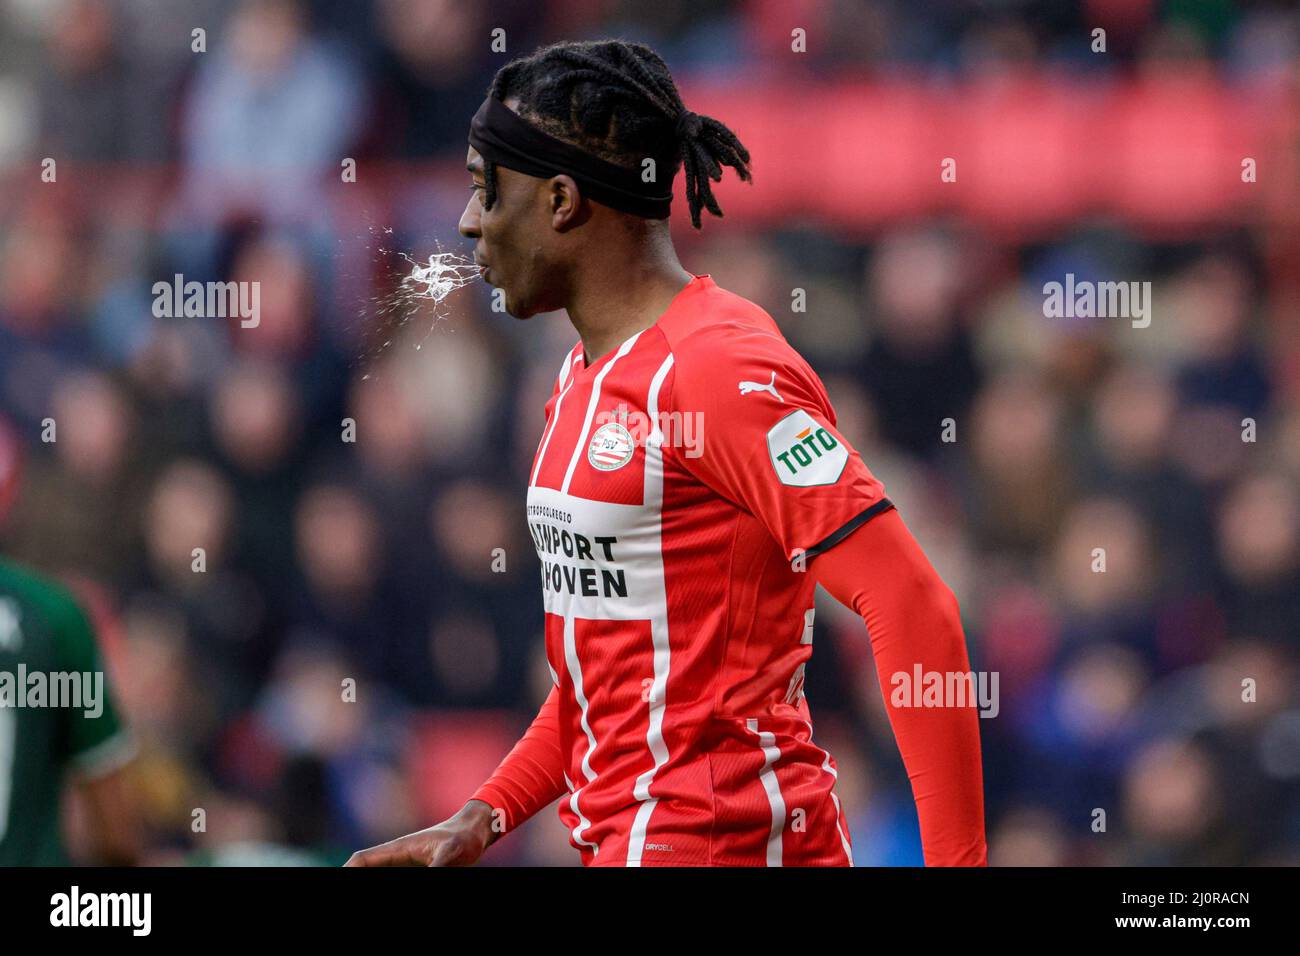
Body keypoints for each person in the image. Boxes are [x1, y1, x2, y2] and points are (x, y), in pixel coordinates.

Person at [349, 39, 985, 867]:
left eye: (486, 189)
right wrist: (485, 814)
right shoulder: (579, 379)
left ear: (563, 202)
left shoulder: (718, 369)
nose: (470, 221)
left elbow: (912, 602)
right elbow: (601, 684)